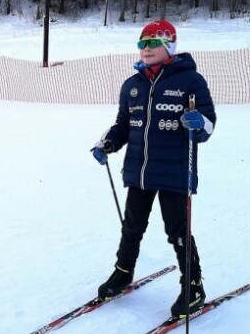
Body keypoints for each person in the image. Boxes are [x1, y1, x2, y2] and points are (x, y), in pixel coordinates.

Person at [91, 19, 217, 318]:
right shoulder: (132, 86)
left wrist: (199, 123)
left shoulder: (190, 81)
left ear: (169, 46)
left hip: (175, 170)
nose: (145, 50)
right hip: (139, 170)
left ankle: (193, 286)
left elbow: (208, 125)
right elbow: (124, 126)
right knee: (132, 226)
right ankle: (123, 272)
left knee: (178, 231)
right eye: (141, 44)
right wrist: (106, 143)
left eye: (152, 44)